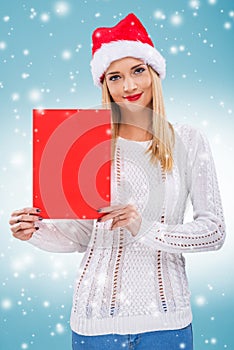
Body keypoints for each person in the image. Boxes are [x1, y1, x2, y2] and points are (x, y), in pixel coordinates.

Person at [9, 13, 225, 350]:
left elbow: (213, 232)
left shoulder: (188, 140)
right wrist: (36, 231)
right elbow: (83, 237)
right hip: (94, 324)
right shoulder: (82, 140)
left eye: (138, 71)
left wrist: (144, 227)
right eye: (115, 77)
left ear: (154, 73)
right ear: (104, 84)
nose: (129, 86)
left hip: (166, 324)